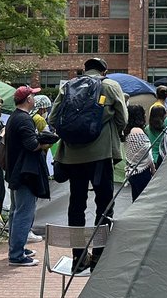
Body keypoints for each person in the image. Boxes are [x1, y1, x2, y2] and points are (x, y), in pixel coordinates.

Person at [51, 57, 126, 271]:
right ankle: (99, 255)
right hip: (101, 154)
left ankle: (78, 257)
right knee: (104, 204)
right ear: (105, 70)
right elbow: (123, 118)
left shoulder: (68, 86)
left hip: (73, 156)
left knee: (76, 205)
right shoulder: (110, 85)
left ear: (84, 70)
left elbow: (54, 118)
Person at [4, 86, 53, 265]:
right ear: (28, 100)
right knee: (24, 213)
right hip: (25, 173)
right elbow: (32, 145)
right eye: (33, 95)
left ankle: (17, 247)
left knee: (16, 212)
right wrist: (45, 140)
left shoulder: (13, 117)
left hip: (15, 171)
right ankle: (17, 255)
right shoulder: (24, 119)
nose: (34, 97)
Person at [123, 103, 156, 201]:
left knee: (136, 199)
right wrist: (153, 169)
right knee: (144, 200)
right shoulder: (137, 130)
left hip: (132, 171)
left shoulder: (128, 130)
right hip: (142, 170)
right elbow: (147, 152)